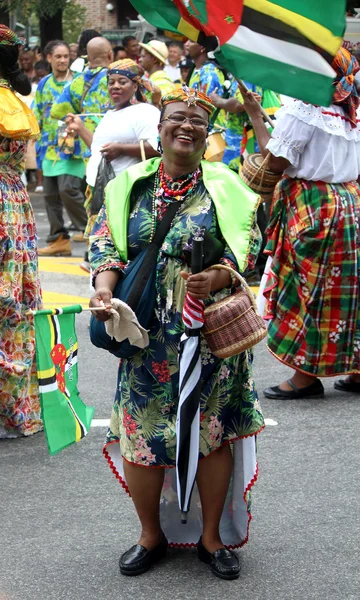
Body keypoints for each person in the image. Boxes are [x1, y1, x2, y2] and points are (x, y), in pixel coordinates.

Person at [89, 87, 264, 579]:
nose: (186, 127)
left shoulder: (226, 187)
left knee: (211, 434)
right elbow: (105, 247)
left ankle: (211, 539)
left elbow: (250, 244)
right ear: (160, 126)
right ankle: (150, 535)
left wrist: (223, 275)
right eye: (177, 118)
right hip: (147, 336)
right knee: (144, 436)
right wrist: (105, 290)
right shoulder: (129, 188)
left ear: (207, 134)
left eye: (197, 122)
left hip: (209, 336)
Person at [242, 47, 360, 399]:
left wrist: (255, 116)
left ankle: (304, 377)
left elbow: (275, 161)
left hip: (313, 208)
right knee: (348, 291)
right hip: (351, 202)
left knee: (307, 290)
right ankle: (356, 371)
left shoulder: (304, 107)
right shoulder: (352, 109)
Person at [65, 58, 160, 252]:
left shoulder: (145, 111)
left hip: (125, 192)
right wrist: (81, 128)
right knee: (101, 246)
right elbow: (101, 151)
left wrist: (122, 149)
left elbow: (157, 147)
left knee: (117, 244)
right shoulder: (110, 114)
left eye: (122, 82)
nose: (115, 86)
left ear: (135, 85)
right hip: (99, 190)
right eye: (111, 82)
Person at [0, 26, 42, 439]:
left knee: (6, 302)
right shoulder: (14, 98)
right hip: (14, 202)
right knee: (15, 303)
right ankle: (17, 409)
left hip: (4, 203)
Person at [32, 40, 88, 257]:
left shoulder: (78, 82)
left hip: (72, 146)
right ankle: (59, 240)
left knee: (68, 189)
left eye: (66, 56)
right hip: (48, 147)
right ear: (49, 58)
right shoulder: (44, 83)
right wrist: (31, 133)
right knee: (51, 195)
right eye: (58, 56)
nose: (63, 60)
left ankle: (92, 230)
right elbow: (37, 110)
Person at [185, 40, 226, 129]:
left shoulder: (210, 73)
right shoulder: (195, 69)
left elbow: (203, 107)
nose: (186, 44)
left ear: (202, 48)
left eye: (191, 41)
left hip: (211, 132)